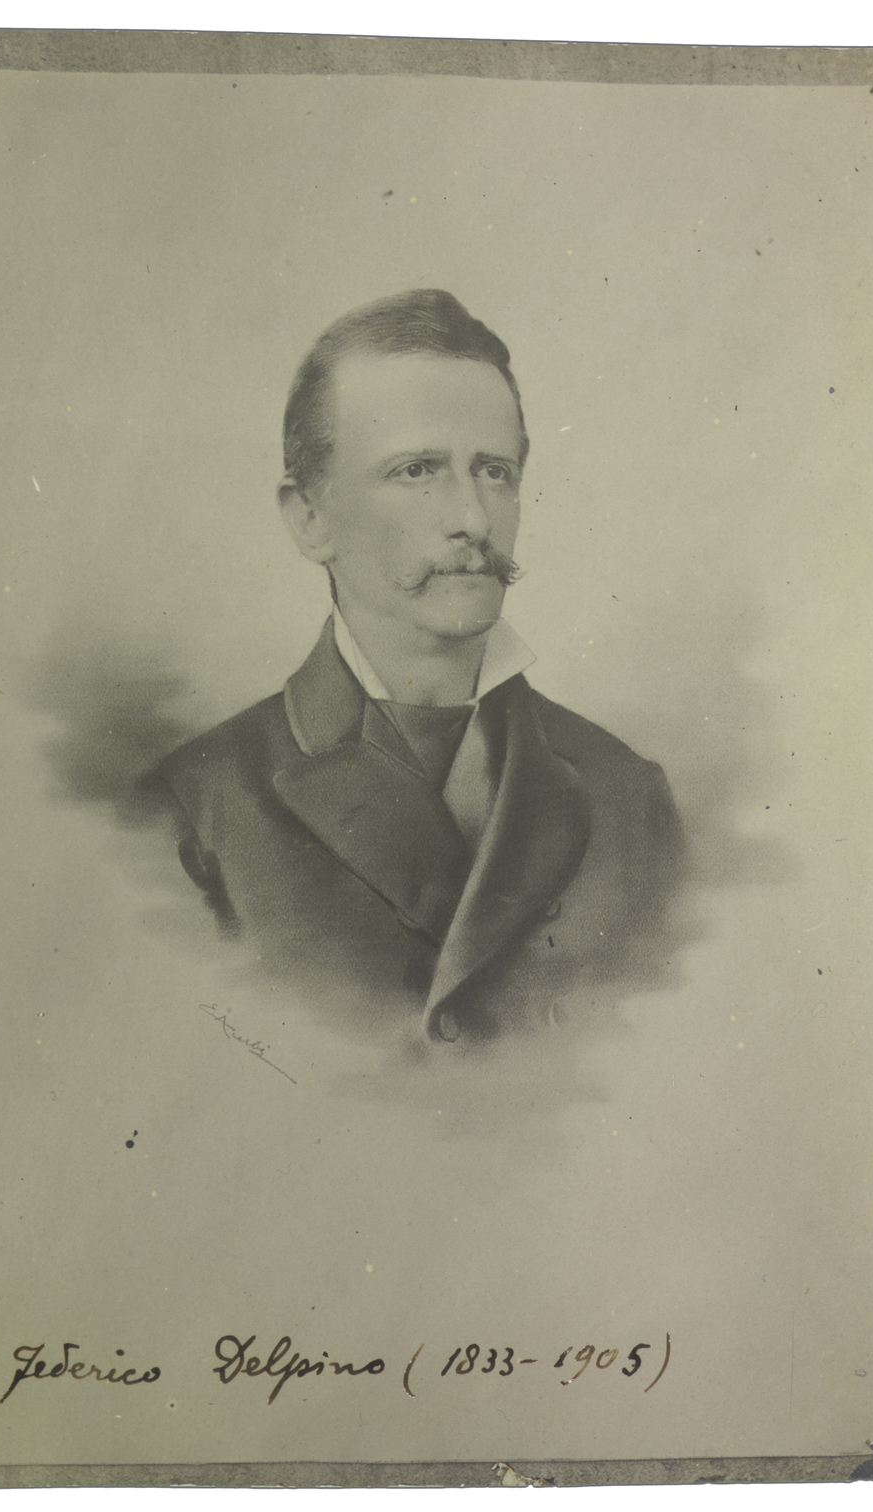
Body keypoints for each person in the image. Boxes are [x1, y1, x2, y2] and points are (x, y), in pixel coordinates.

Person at [154, 291, 684, 1044]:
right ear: (310, 518)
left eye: (494, 472)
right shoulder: (194, 812)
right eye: (416, 470)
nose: (472, 518)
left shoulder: (628, 796)